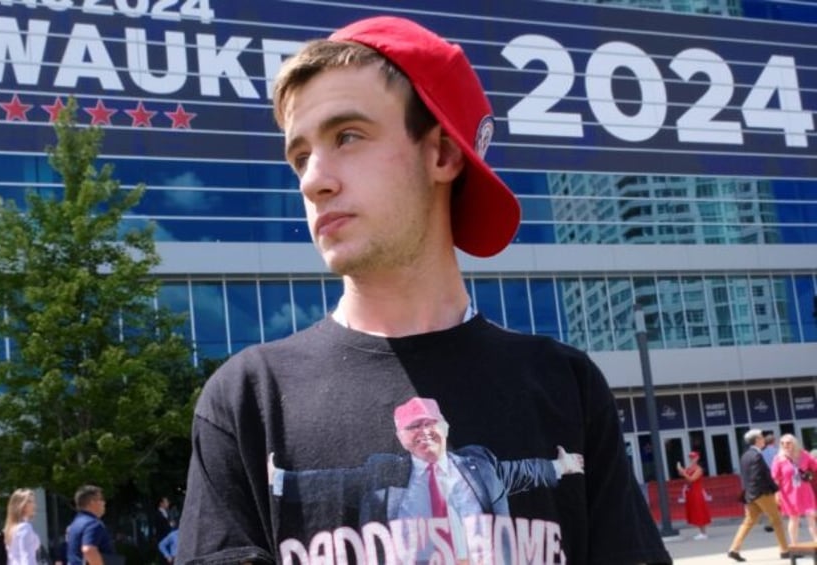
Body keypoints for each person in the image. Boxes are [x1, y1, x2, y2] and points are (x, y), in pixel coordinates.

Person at [176, 14, 672, 565]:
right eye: (299, 156)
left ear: (442, 154)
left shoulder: (564, 386)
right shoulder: (248, 401)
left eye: (347, 136)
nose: (314, 179)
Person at [269, 397, 583, 562]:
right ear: (400, 437)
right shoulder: (382, 474)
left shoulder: (482, 466)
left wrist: (561, 465)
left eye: (429, 422)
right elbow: (332, 483)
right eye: (412, 427)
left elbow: (525, 471)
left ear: (445, 426)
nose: (424, 432)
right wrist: (279, 479)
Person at [727, 428, 790, 561]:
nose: (763, 439)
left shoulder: (745, 455)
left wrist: (749, 494)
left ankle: (734, 549)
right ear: (757, 440)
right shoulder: (756, 455)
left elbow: (745, 477)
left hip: (750, 494)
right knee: (777, 520)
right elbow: (760, 477)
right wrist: (775, 489)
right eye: (761, 437)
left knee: (749, 521)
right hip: (761, 493)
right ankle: (785, 551)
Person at [771, 434, 817, 545]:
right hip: (788, 492)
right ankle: (794, 544)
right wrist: (777, 494)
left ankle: (816, 540)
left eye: (788, 443)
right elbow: (775, 477)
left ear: (794, 443)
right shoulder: (778, 459)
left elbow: (815, 466)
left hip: (805, 490)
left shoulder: (804, 454)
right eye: (782, 443)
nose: (785, 445)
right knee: (794, 518)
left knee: (811, 515)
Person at [66, 485, 115, 565]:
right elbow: (88, 550)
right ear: (92, 502)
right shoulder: (93, 524)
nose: (104, 502)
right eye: (101, 499)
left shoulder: (74, 524)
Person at [676, 451, 712, 540]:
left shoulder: (698, 469)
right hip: (691, 492)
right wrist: (680, 469)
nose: (691, 459)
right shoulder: (690, 468)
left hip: (696, 492)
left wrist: (683, 472)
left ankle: (703, 533)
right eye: (690, 457)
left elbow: (692, 479)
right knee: (695, 512)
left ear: (697, 458)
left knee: (699, 511)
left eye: (693, 457)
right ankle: (701, 532)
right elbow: (683, 474)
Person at [3, 488, 40, 565]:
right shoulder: (24, 527)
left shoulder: (10, 528)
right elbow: (26, 557)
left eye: (33, 501)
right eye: (30, 502)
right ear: (21, 505)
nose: (34, 505)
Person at [760, 431, 779, 532]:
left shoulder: (761, 453)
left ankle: (770, 522)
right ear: (774, 441)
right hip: (778, 478)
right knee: (783, 500)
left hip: (767, 479)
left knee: (770, 502)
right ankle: (793, 519)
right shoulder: (777, 452)